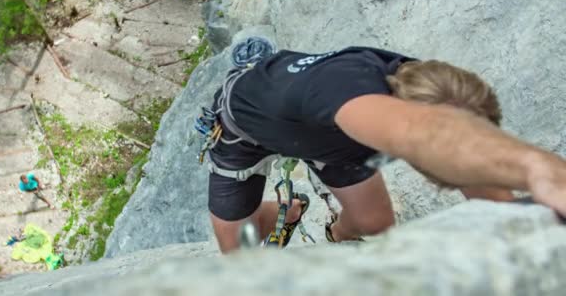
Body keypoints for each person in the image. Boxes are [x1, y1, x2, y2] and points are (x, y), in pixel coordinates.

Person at [204, 42, 566, 254]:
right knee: (238, 249)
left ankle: (328, 231)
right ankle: (280, 210)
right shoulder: (350, 95)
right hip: (243, 130)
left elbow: (479, 181)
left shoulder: (421, 88)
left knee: (374, 223)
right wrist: (541, 170)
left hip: (325, 137)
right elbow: (430, 136)